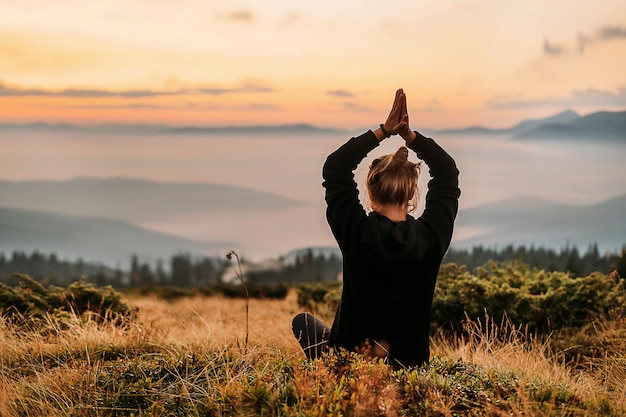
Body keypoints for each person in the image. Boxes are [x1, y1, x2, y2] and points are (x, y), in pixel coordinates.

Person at [292, 89, 460, 368]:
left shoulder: (356, 232)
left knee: (303, 322)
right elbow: (447, 173)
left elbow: (335, 168)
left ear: (370, 191)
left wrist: (384, 131)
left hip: (348, 364)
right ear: (411, 195)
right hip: (410, 369)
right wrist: (411, 137)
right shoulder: (431, 240)